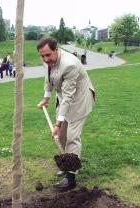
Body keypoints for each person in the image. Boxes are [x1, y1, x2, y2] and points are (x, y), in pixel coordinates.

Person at [37, 38, 95, 191]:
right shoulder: (48, 60)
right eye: (42, 56)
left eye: (48, 55)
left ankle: (70, 178)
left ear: (57, 50)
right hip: (63, 99)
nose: (45, 59)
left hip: (79, 100)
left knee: (72, 137)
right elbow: (48, 78)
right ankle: (65, 163)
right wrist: (46, 97)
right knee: (61, 136)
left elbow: (69, 96)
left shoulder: (70, 64)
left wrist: (57, 124)